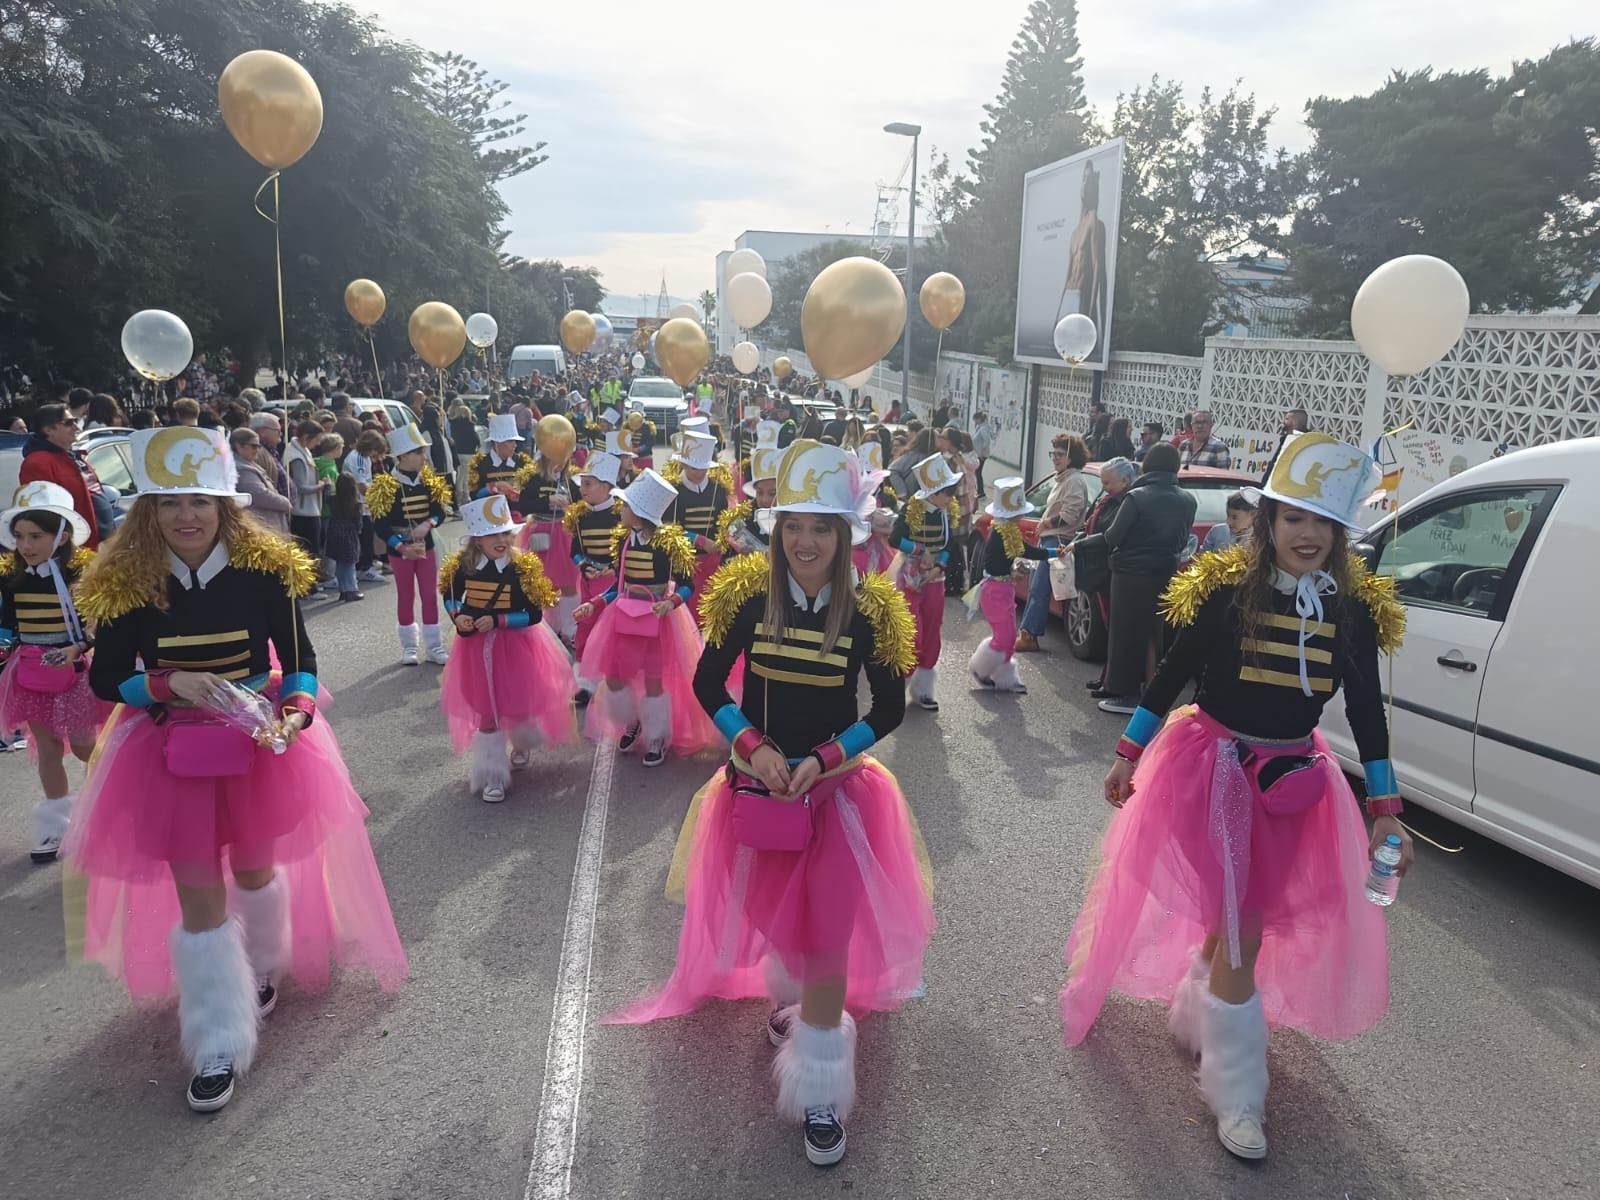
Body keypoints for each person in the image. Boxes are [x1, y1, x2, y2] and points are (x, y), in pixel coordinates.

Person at [1059, 431, 1411, 1162]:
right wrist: (1128, 752)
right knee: (1243, 921)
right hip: (1213, 771)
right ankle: (1237, 1089)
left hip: (1295, 785)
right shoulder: (1225, 591)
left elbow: (1367, 713)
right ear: (1270, 521)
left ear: (1339, 532)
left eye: (1322, 522)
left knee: (1240, 915)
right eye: (1294, 518)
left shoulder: (1352, 612)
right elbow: (1173, 673)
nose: (1307, 535)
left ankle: (1201, 1007)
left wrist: (1385, 811)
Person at [607, 439, 930, 1169]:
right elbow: (708, 682)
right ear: (777, 529)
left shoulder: (872, 608)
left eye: (821, 528)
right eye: (794, 526)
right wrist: (750, 746)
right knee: (777, 920)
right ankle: (798, 1008)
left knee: (828, 938)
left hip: (838, 795)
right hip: (758, 789)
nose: (805, 542)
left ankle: (821, 1089)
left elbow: (888, 708)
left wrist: (823, 759)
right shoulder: (747, 594)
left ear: (846, 534)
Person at [66, 425, 407, 1112]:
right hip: (168, 751)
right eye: (169, 502)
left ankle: (263, 964)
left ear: (225, 505)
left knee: (253, 869)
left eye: (199, 500)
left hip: (256, 744)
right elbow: (106, 678)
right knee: (198, 892)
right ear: (148, 511)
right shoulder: (127, 581)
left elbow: (300, 661)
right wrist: (167, 685)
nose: (185, 516)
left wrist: (298, 713)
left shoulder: (267, 571)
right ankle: (218, 1038)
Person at [570, 469, 717, 768]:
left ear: (639, 512)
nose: (620, 510)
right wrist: (594, 604)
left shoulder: (669, 544)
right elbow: (618, 585)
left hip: (657, 619)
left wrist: (670, 602)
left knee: (653, 680)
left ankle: (656, 736)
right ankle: (632, 719)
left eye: (625, 506)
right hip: (623, 615)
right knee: (615, 676)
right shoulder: (623, 541)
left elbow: (687, 584)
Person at [439, 496, 577, 801]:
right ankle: (493, 775)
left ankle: (521, 742)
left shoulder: (522, 568)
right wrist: (457, 616)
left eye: (505, 533)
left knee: (516, 700)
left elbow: (534, 615)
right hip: (474, 647)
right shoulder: (462, 566)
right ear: (478, 539)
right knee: (486, 709)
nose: (501, 540)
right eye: (493, 535)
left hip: (514, 644)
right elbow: (449, 595)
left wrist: (499, 620)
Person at [0, 482, 108, 863]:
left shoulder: (82, 573)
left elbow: (98, 624)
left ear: (61, 536)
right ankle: (56, 827)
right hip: (31, 672)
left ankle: (109, 812)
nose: (25, 545)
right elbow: (8, 621)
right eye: (19, 537)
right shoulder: (11, 575)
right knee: (47, 747)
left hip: (74, 672)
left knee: (83, 746)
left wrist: (77, 648)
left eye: (36, 536)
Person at [1067, 443, 1197, 714]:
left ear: (1147, 465)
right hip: (1166, 573)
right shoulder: (1188, 500)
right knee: (1153, 634)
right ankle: (1150, 692)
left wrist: (1079, 545)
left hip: (1130, 574)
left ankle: (1125, 695)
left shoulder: (1137, 497)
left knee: (1125, 634)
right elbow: (1183, 539)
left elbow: (1113, 537)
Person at [969, 478, 1064, 695]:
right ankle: (981, 668)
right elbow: (1025, 552)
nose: (1021, 516)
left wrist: (1017, 569)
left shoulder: (1007, 530)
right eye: (1018, 512)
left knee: (1010, 637)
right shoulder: (1000, 533)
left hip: (1004, 589)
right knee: (1003, 636)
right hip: (994, 590)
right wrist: (1052, 553)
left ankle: (1005, 678)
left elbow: (1021, 552)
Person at [368, 423, 452, 665]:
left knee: (429, 595)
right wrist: (401, 547)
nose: (424, 457)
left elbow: (440, 512)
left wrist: (428, 524)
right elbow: (380, 524)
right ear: (403, 456)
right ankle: (409, 647)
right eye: (419, 452)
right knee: (406, 595)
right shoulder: (386, 485)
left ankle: (434, 647)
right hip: (400, 551)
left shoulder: (429, 482)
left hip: (426, 547)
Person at [890, 453, 961, 712]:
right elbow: (895, 539)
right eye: (948, 492)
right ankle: (900, 685)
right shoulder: (912, 509)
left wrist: (940, 564)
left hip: (935, 580)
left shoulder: (945, 512)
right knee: (913, 633)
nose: (951, 498)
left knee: (932, 631)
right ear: (934, 493)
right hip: (911, 579)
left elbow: (949, 544)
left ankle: (923, 689)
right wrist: (921, 550)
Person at [1015, 434, 1091, 653]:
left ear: (1071, 457)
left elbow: (1070, 514)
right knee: (1035, 588)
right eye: (1053, 454)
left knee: (1039, 590)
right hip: (1050, 538)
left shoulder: (1074, 480)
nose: (1055, 458)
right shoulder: (1064, 479)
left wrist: (1047, 523)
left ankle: (1029, 635)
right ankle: (1027, 633)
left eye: (1060, 454)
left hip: (1058, 540)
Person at [516, 415, 583, 643]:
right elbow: (523, 505)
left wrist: (572, 507)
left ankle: (570, 628)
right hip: (540, 533)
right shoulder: (534, 477)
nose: (562, 461)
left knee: (568, 583)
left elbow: (581, 502)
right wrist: (547, 501)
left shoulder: (570, 478)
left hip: (564, 534)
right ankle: (550, 627)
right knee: (545, 583)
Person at [565, 452, 625, 707]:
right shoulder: (580, 516)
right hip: (589, 581)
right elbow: (575, 550)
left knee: (611, 632)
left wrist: (613, 568)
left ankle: (614, 684)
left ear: (607, 486)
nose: (583, 489)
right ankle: (585, 684)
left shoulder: (621, 514)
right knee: (585, 628)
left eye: (589, 484)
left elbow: (626, 549)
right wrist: (584, 566)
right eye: (582, 483)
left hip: (613, 583)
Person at [1073, 457, 1137, 696]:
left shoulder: (1127, 503)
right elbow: (1091, 525)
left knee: (1116, 630)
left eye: (1107, 482)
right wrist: (1079, 540)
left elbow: (1110, 536)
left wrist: (1081, 544)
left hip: (1112, 571)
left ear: (1125, 480)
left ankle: (1112, 681)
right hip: (1098, 569)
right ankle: (1107, 678)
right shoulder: (1109, 499)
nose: (1103, 487)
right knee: (1110, 628)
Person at [661, 430, 732, 610]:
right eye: (694, 468)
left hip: (713, 561)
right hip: (685, 563)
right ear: (683, 464)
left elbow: (724, 523)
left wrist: (724, 541)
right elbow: (666, 530)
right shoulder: (673, 491)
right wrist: (699, 540)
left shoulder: (718, 490)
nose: (699, 473)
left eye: (703, 468)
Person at [18, 404, 99, 549]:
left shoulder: (69, 455)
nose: (76, 427)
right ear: (48, 430)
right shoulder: (37, 463)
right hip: (74, 548)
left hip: (97, 542)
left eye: (75, 421)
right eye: (68, 423)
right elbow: (45, 515)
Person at [342, 429, 389, 583]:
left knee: (366, 536)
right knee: (365, 536)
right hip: (359, 504)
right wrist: (377, 497)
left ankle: (364, 566)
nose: (376, 456)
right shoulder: (359, 458)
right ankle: (364, 568)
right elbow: (361, 484)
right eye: (376, 451)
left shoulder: (364, 457)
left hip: (362, 503)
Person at [284, 419, 328, 582]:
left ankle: (310, 584)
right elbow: (301, 487)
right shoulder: (297, 456)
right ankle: (309, 586)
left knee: (310, 550)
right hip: (303, 511)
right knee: (309, 551)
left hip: (309, 508)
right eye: (317, 439)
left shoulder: (302, 451)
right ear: (306, 437)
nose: (318, 444)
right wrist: (321, 485)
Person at [229, 428, 292, 535]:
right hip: (262, 527)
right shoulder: (242, 469)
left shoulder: (248, 464)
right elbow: (260, 495)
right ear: (239, 446)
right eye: (254, 446)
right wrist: (285, 503)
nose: (257, 450)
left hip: (266, 526)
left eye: (259, 446)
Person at [324, 474, 364, 603]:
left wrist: (327, 485)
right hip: (349, 536)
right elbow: (358, 524)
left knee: (340, 564)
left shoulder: (334, 500)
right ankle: (351, 590)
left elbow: (326, 496)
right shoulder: (356, 504)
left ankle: (343, 590)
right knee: (350, 564)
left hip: (334, 534)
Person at [971, 410, 994, 498]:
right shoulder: (979, 428)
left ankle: (981, 491)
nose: (975, 421)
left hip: (981, 455)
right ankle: (979, 490)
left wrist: (982, 453)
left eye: (975, 419)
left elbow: (986, 441)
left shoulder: (983, 429)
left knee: (978, 472)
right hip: (978, 454)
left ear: (979, 419)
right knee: (977, 472)